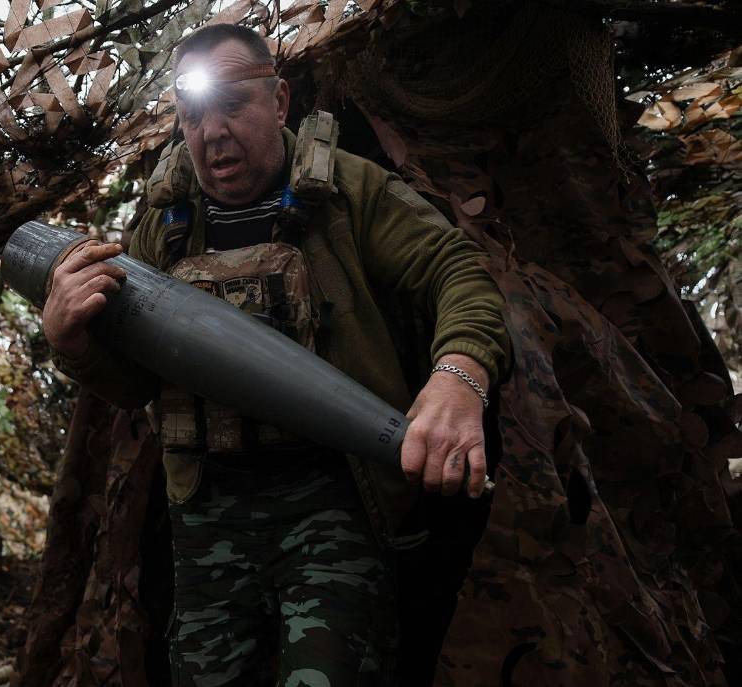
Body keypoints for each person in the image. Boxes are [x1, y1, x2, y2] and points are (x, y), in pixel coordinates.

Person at [41, 23, 510, 687]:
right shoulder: (162, 227)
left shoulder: (349, 193)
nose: (212, 133)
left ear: (280, 101)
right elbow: (139, 382)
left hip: (335, 501)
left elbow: (457, 271)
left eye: (233, 105)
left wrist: (459, 375)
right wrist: (71, 342)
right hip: (207, 513)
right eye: (193, 115)